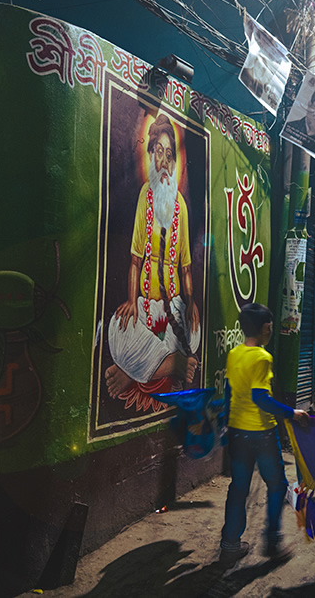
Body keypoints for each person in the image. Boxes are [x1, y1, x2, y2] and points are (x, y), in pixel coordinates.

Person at [105, 114, 202, 409]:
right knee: (117, 330)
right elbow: (136, 259)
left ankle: (133, 372)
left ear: (174, 164)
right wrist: (133, 301)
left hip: (172, 306)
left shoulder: (181, 206)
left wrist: (191, 301)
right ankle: (170, 364)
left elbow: (185, 266)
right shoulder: (146, 196)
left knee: (193, 333)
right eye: (158, 152)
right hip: (146, 306)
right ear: (149, 155)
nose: (163, 160)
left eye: (169, 155)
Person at [219, 303, 308, 566]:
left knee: (238, 488)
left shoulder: (235, 354)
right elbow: (261, 397)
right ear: (264, 328)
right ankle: (272, 541)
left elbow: (229, 392)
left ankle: (229, 545)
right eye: (270, 326)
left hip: (237, 432)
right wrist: (292, 413)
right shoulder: (262, 357)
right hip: (261, 434)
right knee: (277, 485)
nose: (271, 330)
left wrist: (227, 424)